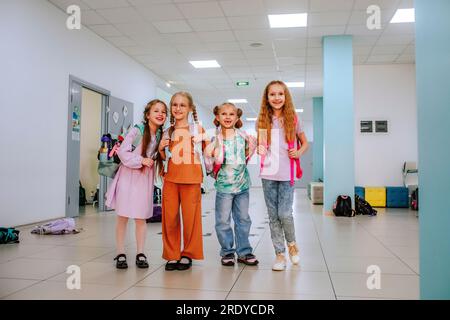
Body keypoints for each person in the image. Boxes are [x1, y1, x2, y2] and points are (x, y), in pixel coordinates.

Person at [106, 99, 167, 269]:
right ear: (148, 115)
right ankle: (120, 253)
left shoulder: (161, 136)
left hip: (144, 181)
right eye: (156, 111)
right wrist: (142, 160)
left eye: (163, 111)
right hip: (127, 178)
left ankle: (141, 253)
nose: (160, 114)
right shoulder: (137, 131)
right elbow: (123, 153)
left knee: (141, 218)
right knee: (123, 217)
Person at [256, 80, 309, 271]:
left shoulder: (293, 118)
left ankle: (292, 245)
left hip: (287, 173)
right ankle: (280, 255)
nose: (276, 97)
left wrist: (299, 152)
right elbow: (262, 149)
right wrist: (258, 147)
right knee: (273, 216)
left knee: (284, 213)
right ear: (267, 98)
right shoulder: (262, 120)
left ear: (285, 96)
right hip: (268, 173)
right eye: (272, 94)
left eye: (280, 94)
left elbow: (304, 143)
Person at [158, 91, 208, 271]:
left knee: (191, 220)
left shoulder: (197, 129)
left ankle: (188, 253)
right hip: (171, 179)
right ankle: (172, 254)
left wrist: (212, 142)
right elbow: (163, 157)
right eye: (175, 105)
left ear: (190, 109)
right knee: (169, 218)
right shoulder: (167, 131)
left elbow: (209, 152)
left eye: (182, 105)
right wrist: (161, 148)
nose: (178, 108)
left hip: (191, 179)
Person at [205, 102, 258, 266]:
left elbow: (248, 155)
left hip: (242, 187)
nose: (227, 117)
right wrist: (212, 163)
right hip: (224, 188)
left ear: (237, 117)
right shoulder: (215, 139)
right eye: (224, 114)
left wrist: (253, 146)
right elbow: (208, 162)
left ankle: (244, 252)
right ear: (217, 117)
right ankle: (227, 251)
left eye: (231, 114)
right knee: (223, 221)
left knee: (243, 219)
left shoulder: (243, 137)